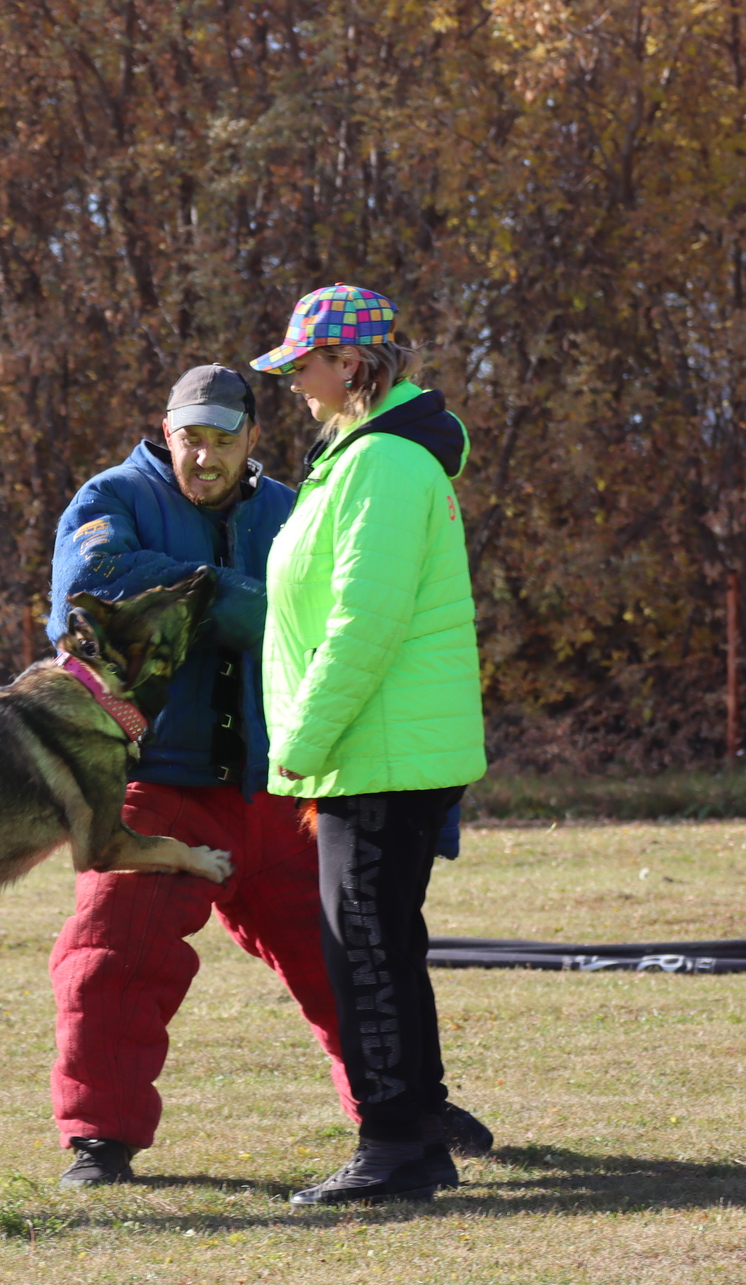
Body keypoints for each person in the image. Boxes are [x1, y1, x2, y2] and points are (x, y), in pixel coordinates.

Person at [45, 362, 495, 1187]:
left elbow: (354, 622)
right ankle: (100, 1138)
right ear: (166, 431)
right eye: (191, 440)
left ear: (254, 437)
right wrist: (228, 596)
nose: (205, 458)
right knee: (112, 956)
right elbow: (93, 589)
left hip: (276, 782)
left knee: (350, 956)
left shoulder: (296, 504)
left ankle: (396, 1112)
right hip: (162, 783)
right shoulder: (111, 499)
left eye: (223, 440)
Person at [250, 284, 489, 1205]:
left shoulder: (384, 463)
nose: (296, 385)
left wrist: (301, 739)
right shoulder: (356, 457)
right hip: (372, 747)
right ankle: (415, 1139)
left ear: (350, 365)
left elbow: (365, 618)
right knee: (377, 942)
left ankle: (392, 1147)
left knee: (368, 950)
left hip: (377, 751)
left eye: (304, 366)